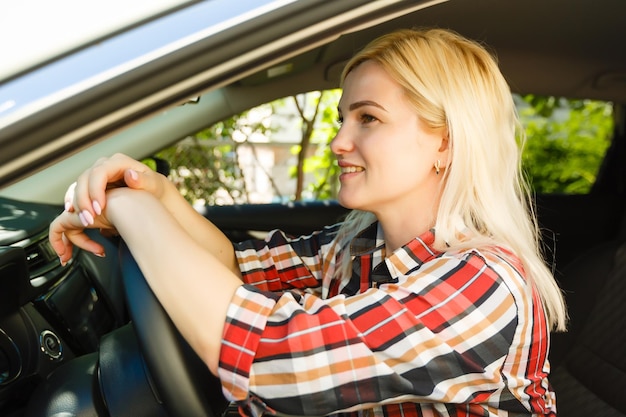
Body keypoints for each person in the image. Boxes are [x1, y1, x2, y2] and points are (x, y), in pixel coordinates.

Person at [49, 28, 567, 416]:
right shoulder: (360, 246)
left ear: (445, 142)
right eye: (343, 118)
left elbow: (272, 358)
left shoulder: (483, 284)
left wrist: (128, 208)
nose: (339, 141)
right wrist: (155, 193)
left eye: (368, 118)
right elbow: (233, 268)